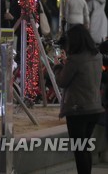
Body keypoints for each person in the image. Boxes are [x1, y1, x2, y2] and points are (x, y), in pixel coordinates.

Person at [53, 24, 104, 174]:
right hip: (94, 108)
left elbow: (62, 81)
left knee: (79, 150)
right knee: (85, 148)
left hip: (78, 110)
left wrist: (57, 66)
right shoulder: (97, 56)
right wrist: (66, 63)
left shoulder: (75, 60)